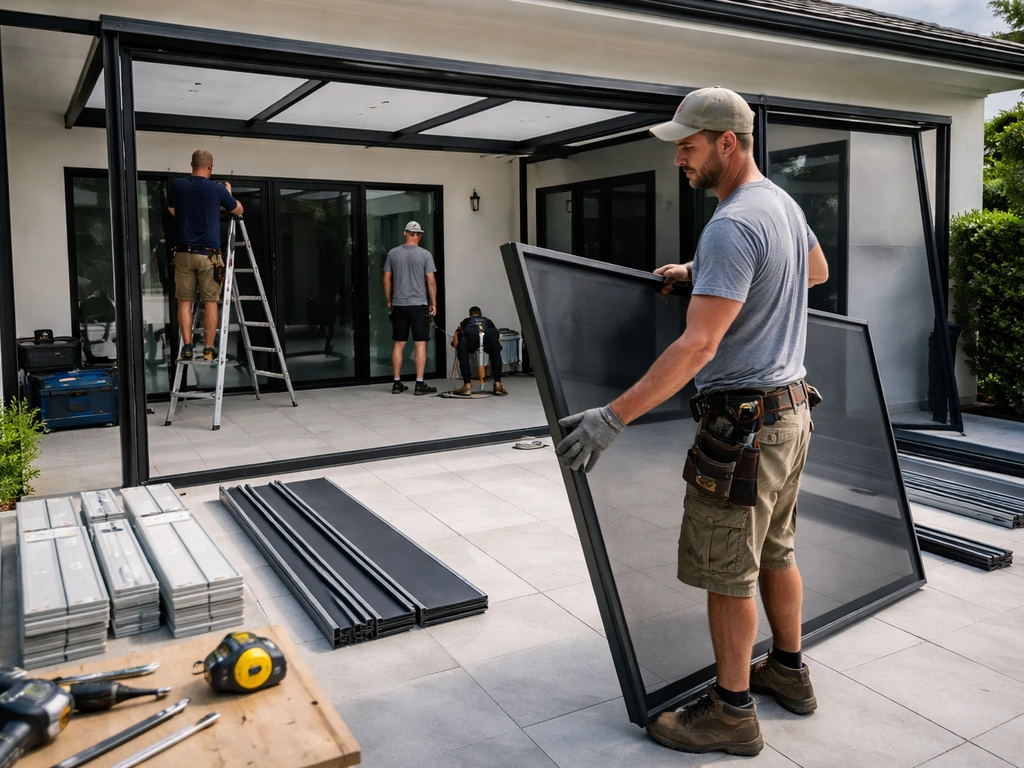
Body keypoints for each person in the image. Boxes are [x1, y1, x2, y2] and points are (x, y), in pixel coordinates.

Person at [554, 86, 830, 757]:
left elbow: (698, 345)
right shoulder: (782, 207)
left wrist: (612, 417)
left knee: (726, 571)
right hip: (792, 412)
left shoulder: (733, 223)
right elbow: (814, 271)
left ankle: (732, 713)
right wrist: (705, 273)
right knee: (775, 551)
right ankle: (788, 673)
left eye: (690, 143)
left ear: (727, 143)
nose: (680, 155)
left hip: (744, 428)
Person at [167, 150, 243, 361]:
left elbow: (173, 211)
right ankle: (209, 349)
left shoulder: (177, 186)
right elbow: (238, 210)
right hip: (208, 256)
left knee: (184, 302)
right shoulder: (217, 189)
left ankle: (188, 347)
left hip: (183, 254)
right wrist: (228, 194)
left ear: (191, 164)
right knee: (210, 302)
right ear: (210, 167)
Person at [384, 221, 438, 395]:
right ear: (419, 235)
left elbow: (386, 280)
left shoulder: (393, 253)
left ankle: (397, 382)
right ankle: (420, 384)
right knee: (420, 344)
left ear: (404, 233)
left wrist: (389, 301)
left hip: (399, 304)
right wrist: (433, 303)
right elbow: (431, 281)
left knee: (399, 344)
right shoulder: (425, 255)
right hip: (418, 305)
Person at [450, 307, 508, 396]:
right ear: (480, 314)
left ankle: (467, 385)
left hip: (472, 332)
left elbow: (456, 340)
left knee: (463, 349)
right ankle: (498, 385)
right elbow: (498, 338)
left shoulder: (466, 320)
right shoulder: (488, 320)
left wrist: (459, 345)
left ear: (470, 314)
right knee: (495, 351)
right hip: (490, 332)